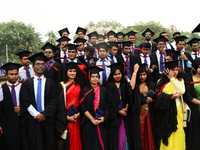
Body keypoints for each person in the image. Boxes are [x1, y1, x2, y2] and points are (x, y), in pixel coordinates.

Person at [20, 52, 57, 150]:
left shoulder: (51, 83)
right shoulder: (27, 83)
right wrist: (37, 114)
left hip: (47, 119)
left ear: (45, 66)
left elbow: (54, 100)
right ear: (33, 67)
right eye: (37, 64)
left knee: (49, 144)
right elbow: (25, 101)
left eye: (42, 64)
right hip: (33, 119)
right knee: (35, 145)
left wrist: (44, 114)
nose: (40, 66)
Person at [155, 60, 190, 150]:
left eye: (176, 69)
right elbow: (159, 96)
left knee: (178, 132)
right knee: (167, 134)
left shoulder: (179, 80)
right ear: (167, 71)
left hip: (177, 112)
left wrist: (172, 79)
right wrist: (169, 97)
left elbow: (181, 91)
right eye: (172, 70)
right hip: (165, 112)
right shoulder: (160, 81)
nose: (175, 72)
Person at [80, 66, 109, 150]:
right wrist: (92, 119)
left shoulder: (104, 90)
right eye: (93, 76)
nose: (95, 78)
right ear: (89, 78)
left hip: (101, 122)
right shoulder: (84, 91)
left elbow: (108, 106)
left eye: (97, 76)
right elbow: (83, 106)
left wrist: (104, 118)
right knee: (89, 144)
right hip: (89, 122)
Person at [56, 62, 83, 150]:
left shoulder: (80, 85)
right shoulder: (61, 86)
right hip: (65, 117)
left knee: (78, 138)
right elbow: (59, 104)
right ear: (66, 72)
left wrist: (78, 114)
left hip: (77, 117)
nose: (72, 73)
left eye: (74, 71)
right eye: (70, 71)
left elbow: (83, 102)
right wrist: (66, 117)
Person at [130, 63, 156, 150]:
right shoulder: (135, 86)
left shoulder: (151, 85)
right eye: (140, 75)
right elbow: (132, 97)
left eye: (144, 74)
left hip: (149, 112)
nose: (142, 77)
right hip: (138, 112)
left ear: (147, 74)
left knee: (148, 131)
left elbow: (156, 98)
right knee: (139, 132)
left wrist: (152, 101)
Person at [106, 63, 131, 150]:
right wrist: (118, 111)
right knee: (116, 137)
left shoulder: (125, 84)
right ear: (112, 75)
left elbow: (129, 96)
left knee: (125, 135)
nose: (117, 76)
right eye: (115, 74)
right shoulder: (109, 86)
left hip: (125, 114)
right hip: (115, 115)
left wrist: (127, 107)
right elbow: (110, 101)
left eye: (119, 74)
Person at [0, 63, 22, 150]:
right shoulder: (2, 89)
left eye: (16, 74)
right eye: (11, 74)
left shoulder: (23, 86)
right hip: (7, 123)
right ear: (6, 75)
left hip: (22, 122)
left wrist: (22, 108)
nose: (14, 76)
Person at [184, 58, 200, 150]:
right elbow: (189, 97)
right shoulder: (189, 80)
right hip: (195, 111)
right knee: (195, 134)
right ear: (194, 68)